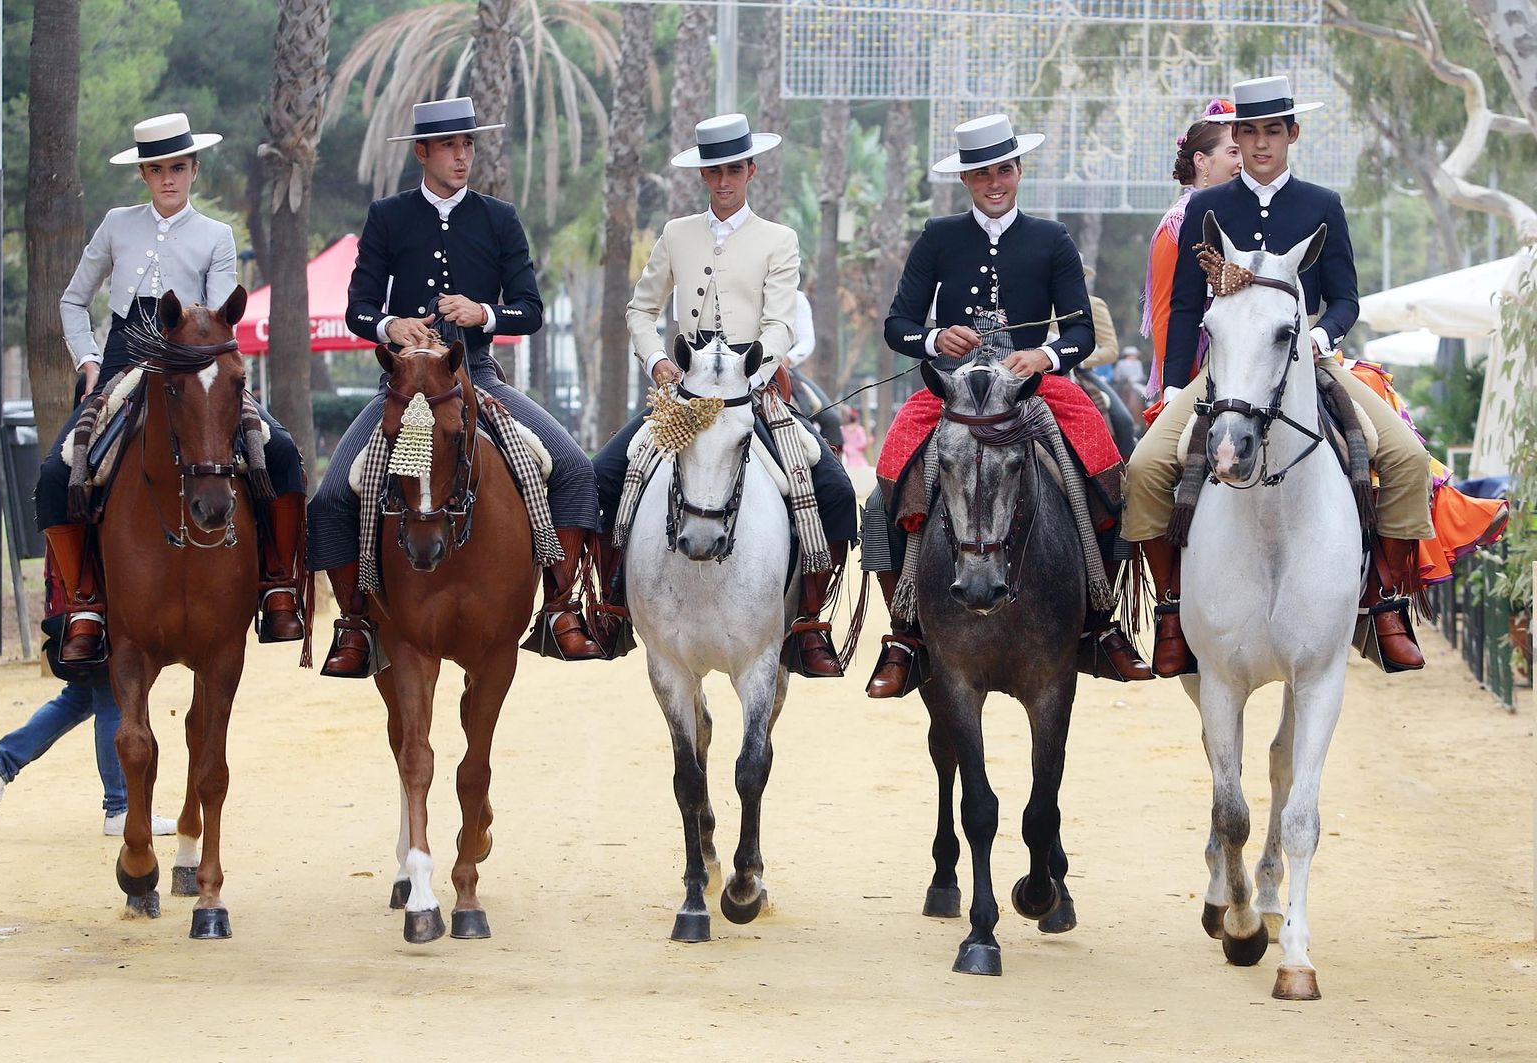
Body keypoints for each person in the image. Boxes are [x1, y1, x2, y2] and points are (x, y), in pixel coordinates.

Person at [1124, 75, 1434, 675]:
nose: (1260, 144)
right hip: (1227, 369)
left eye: (1272, 131)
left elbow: (1345, 298)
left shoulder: (1321, 204)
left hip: (1309, 359)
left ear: (1292, 134)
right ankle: (1170, 608)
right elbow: (1188, 306)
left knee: (1406, 459)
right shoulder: (1206, 209)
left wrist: (1320, 335)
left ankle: (1385, 604)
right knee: (1144, 468)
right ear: (1236, 136)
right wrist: (1167, 389)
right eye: (1248, 133)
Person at [308, 96, 603, 675]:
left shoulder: (499, 218)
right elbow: (358, 309)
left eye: (468, 144)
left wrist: (483, 314)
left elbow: (531, 311)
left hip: (478, 378)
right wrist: (391, 325)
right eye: (450, 145)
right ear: (422, 151)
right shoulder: (387, 216)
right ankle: (356, 622)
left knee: (571, 465)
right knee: (333, 495)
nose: (462, 155)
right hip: (401, 386)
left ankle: (560, 608)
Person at [864, 113, 1152, 697]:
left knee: (1109, 467)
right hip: (953, 391)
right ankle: (905, 634)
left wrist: (1044, 356)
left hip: (1032, 389)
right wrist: (933, 340)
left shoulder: (1052, 239)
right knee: (886, 483)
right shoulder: (938, 236)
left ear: (1019, 171)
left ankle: (1100, 618)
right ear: (966, 180)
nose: (994, 181)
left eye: (1004, 169)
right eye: (981, 173)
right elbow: (897, 323)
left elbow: (1080, 332)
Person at [590, 113, 859, 677]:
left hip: (753, 392)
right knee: (604, 474)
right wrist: (659, 359)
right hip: (682, 396)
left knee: (834, 491)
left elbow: (781, 325)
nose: (723, 181)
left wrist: (752, 374)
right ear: (703, 176)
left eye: (733, 169)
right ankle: (613, 604)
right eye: (713, 172)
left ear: (751, 169)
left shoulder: (779, 240)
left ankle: (808, 622)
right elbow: (641, 310)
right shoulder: (676, 234)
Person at [37, 113, 307, 665]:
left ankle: (277, 583)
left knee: (278, 451)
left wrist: (202, 362)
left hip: (193, 364)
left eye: (177, 167)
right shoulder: (115, 224)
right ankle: (85, 602)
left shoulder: (217, 235)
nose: (167, 178)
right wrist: (88, 360)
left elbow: (218, 317)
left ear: (194, 170)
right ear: (143, 174)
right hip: (119, 363)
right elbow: (72, 300)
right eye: (156, 168)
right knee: (53, 472)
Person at [0, 682, 178, 837]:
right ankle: (120, 807)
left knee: (80, 695)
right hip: (97, 627)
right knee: (112, 692)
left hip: (77, 626)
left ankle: (0, 764)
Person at [1141, 98, 1241, 402]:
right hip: (1203, 368)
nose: (1242, 161)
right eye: (1233, 152)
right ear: (1202, 161)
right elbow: (1165, 313)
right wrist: (1175, 387)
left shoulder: (1242, 214)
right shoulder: (1177, 223)